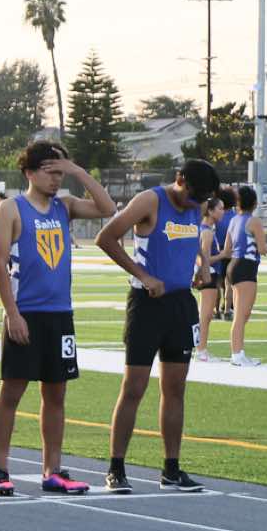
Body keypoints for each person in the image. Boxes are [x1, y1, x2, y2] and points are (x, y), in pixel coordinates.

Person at [0, 143, 116, 496]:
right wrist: (12, 313)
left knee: (56, 394)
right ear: (29, 172)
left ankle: (52, 471)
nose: (57, 179)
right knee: (11, 391)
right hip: (25, 313)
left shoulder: (65, 206)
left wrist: (77, 172)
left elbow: (108, 208)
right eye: (50, 172)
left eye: (60, 172)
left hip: (60, 315)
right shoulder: (11, 209)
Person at [94, 157, 221, 493]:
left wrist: (202, 265)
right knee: (134, 387)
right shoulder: (150, 200)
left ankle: (171, 469)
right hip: (147, 305)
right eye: (193, 196)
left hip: (180, 304)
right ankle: (116, 468)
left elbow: (194, 239)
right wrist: (144, 275)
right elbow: (106, 238)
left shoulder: (196, 204)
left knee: (175, 388)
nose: (195, 204)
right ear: (180, 179)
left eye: (201, 200)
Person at [224, 184, 265, 366]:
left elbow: (227, 249)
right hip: (246, 267)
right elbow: (262, 248)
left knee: (242, 314)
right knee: (241, 315)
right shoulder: (254, 221)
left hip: (233, 265)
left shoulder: (233, 220)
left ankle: (238, 352)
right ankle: (237, 354)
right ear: (254, 203)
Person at [193, 196, 229, 359]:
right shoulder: (207, 232)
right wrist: (223, 254)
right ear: (210, 211)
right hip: (209, 274)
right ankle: (201, 350)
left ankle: (200, 349)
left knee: (204, 314)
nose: (223, 212)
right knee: (206, 315)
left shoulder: (204, 229)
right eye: (220, 208)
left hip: (206, 274)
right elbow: (204, 260)